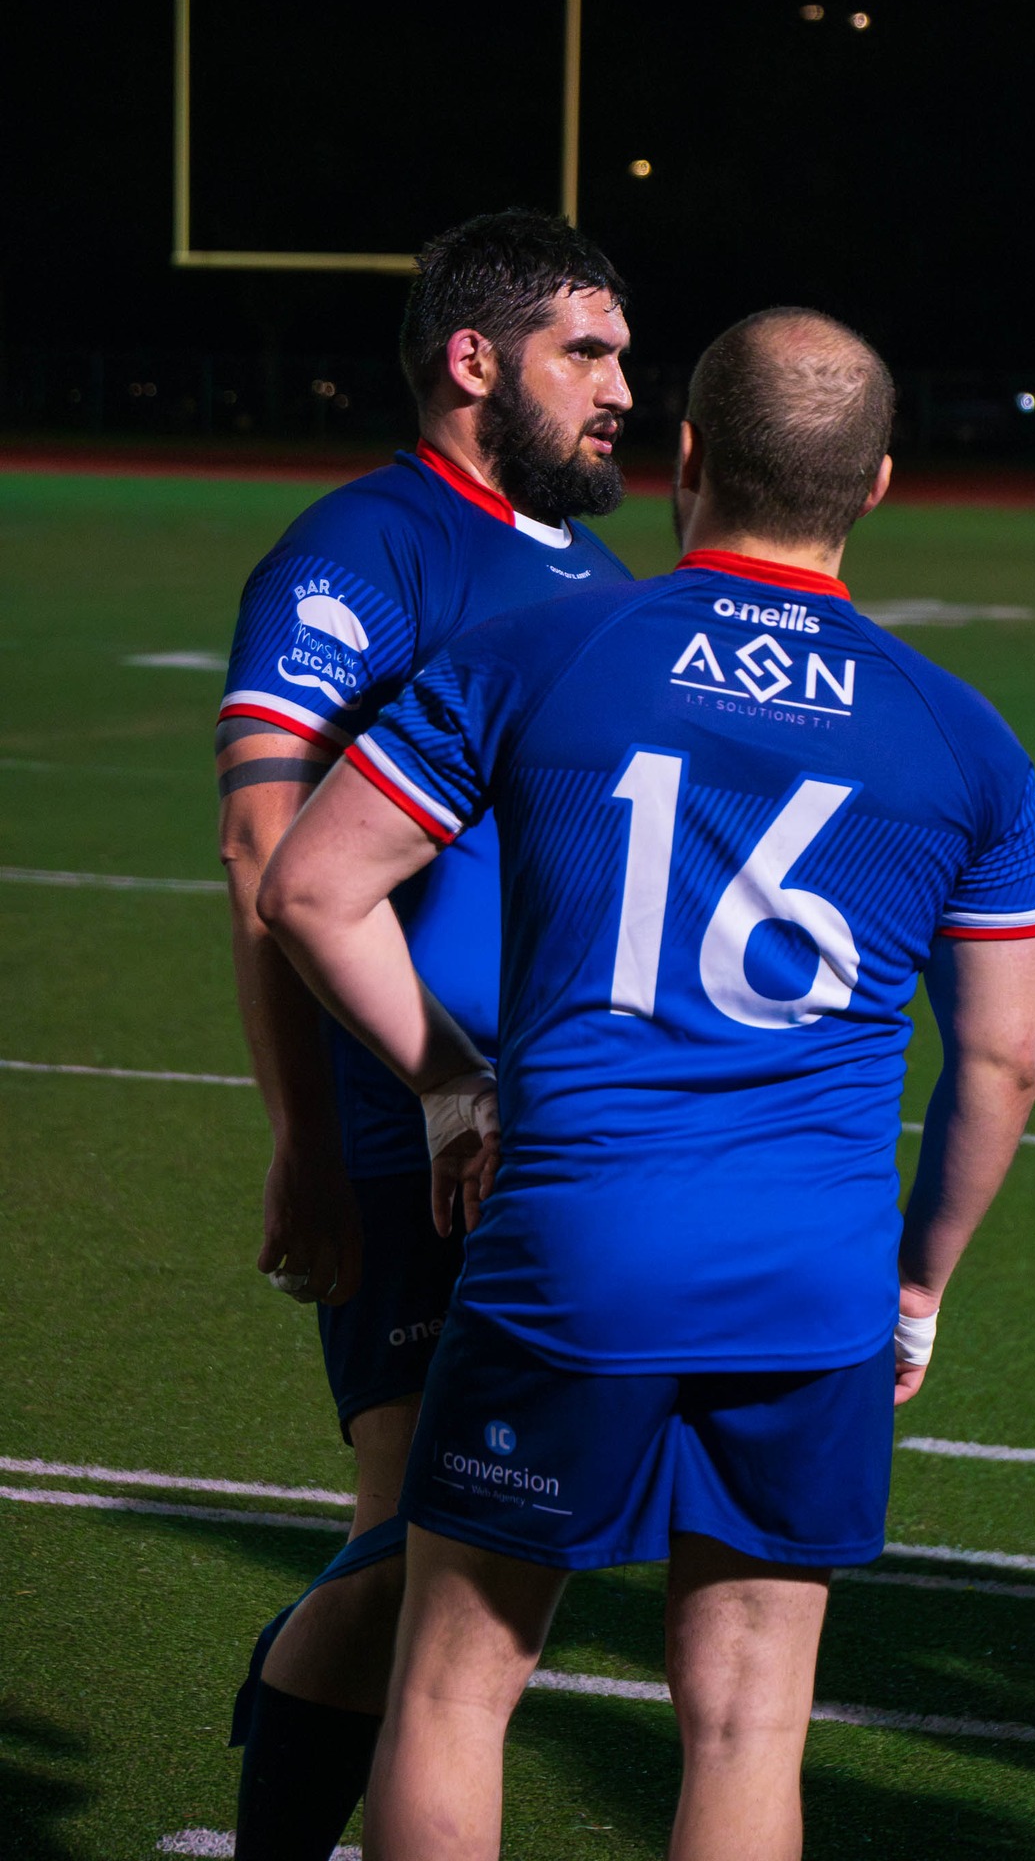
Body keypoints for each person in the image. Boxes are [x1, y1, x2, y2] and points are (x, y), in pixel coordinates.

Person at [258, 306, 1035, 1860]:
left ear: (690, 452)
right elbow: (1003, 1061)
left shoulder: (552, 645)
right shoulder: (967, 739)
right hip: (810, 1270)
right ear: (877, 485)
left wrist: (454, 1088)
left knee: (456, 1691)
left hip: (576, 1246)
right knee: (751, 1721)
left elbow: (308, 892)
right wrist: (919, 1287)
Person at [215, 208, 633, 1858]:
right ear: (477, 361)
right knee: (429, 1543)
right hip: (419, 1125)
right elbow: (268, 856)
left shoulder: (592, 572)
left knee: (462, 1553)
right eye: (584, 351)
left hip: (538, 1123)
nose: (619, 386)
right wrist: (320, 1136)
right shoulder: (361, 550)